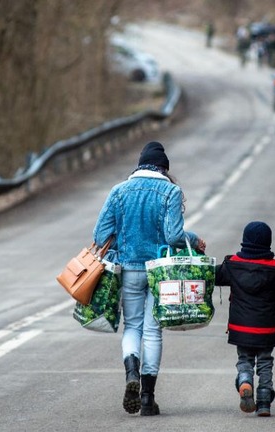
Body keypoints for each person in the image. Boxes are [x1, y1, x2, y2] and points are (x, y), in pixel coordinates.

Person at [93, 141, 207, 416]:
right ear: (164, 169)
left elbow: (99, 236)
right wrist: (193, 240)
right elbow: (174, 237)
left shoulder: (118, 191)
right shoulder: (170, 191)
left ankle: (131, 372)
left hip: (129, 269)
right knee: (153, 331)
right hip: (161, 273)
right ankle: (147, 398)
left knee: (132, 327)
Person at [215, 221, 275, 417]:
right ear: (268, 243)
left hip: (240, 327)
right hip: (266, 329)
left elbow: (212, 276)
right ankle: (264, 401)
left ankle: (245, 380)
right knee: (265, 362)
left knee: (244, 359)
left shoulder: (232, 265)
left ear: (244, 241)